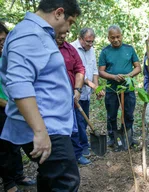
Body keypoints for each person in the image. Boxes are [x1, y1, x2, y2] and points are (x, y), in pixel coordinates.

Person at [0, 1, 81, 191]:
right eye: (69, 22)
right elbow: (19, 83)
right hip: (46, 126)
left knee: (51, 177)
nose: (68, 28)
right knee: (65, 181)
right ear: (59, 13)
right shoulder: (29, 34)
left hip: (50, 124)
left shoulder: (36, 33)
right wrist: (39, 131)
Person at [0, 22, 36, 192]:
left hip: (15, 106)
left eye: (3, 39)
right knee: (5, 146)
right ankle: (9, 183)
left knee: (19, 142)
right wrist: (10, 105)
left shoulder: (8, 56)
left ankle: (19, 174)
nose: (1, 42)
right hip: (4, 108)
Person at [99, 25, 141, 150]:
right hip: (112, 89)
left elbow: (138, 67)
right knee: (111, 115)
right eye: (113, 37)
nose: (116, 39)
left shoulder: (129, 49)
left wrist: (128, 75)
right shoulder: (105, 51)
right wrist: (113, 77)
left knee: (128, 114)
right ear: (108, 38)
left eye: (118, 37)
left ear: (121, 36)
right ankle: (112, 138)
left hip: (128, 89)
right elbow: (101, 71)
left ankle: (127, 136)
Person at [56, 32, 92, 165]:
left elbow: (79, 69)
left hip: (69, 95)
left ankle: (77, 155)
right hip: (51, 99)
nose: (63, 35)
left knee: (74, 126)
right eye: (60, 32)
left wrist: (77, 89)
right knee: (57, 130)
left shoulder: (70, 49)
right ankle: (61, 157)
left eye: (65, 33)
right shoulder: (43, 48)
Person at [71, 28, 104, 157]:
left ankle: (82, 142)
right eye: (88, 42)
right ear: (80, 39)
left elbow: (94, 70)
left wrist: (97, 88)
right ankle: (82, 147)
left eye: (92, 42)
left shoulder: (92, 50)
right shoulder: (72, 48)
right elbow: (76, 72)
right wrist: (92, 85)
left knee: (85, 120)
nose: (90, 44)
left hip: (87, 93)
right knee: (78, 120)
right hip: (76, 91)